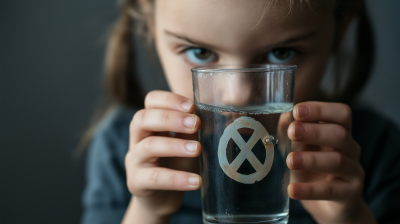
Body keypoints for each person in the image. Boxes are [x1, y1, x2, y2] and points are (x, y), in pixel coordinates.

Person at [81, 0, 400, 223]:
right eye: (200, 52)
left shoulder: (375, 152)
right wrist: (148, 212)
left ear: (340, 29)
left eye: (281, 53)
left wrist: (350, 218)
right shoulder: (121, 150)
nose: (238, 96)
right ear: (150, 23)